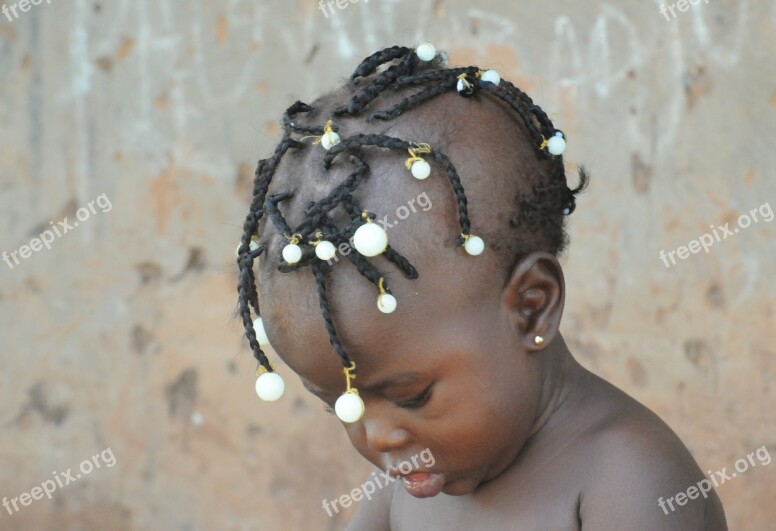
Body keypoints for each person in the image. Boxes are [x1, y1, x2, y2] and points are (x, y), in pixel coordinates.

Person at [235, 43, 728, 530]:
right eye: (340, 404)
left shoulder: (627, 475)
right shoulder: (408, 487)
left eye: (412, 397)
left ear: (531, 307)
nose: (377, 436)